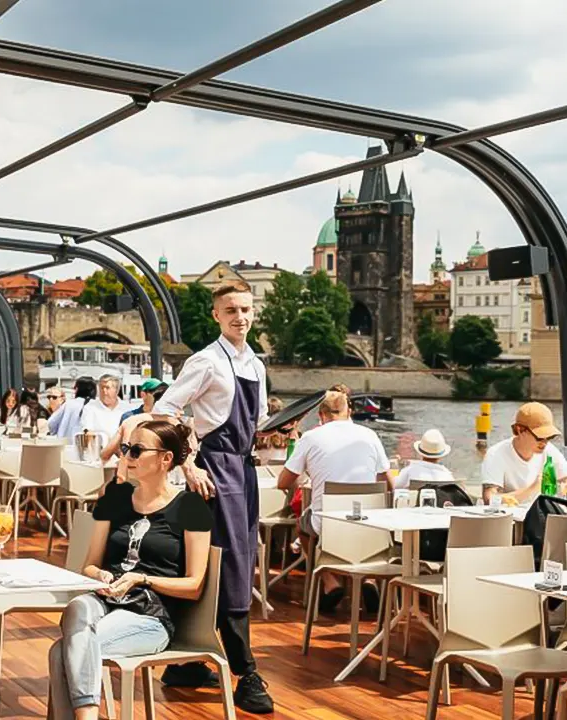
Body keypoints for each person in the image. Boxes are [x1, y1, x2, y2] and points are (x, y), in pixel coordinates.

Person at [151, 280, 273, 713]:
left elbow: (254, 423)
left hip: (244, 469)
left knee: (224, 563)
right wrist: (188, 463)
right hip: (216, 471)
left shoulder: (256, 365)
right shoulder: (206, 361)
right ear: (216, 316)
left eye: (245, 309)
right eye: (231, 310)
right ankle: (246, 672)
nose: (240, 316)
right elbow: (164, 411)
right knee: (230, 567)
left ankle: (184, 658)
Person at [47, 420, 214, 720]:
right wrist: (99, 575)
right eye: (125, 449)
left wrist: (142, 578)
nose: (127, 457)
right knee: (76, 608)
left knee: (62, 651)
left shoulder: (191, 506)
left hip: (150, 616)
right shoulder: (114, 499)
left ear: (166, 459)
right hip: (105, 601)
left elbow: (195, 585)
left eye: (136, 450)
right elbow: (90, 565)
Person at [276, 390, 391, 612]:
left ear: (322, 414)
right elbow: (387, 482)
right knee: (360, 529)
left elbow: (283, 482)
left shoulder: (311, 437)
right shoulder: (369, 435)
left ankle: (329, 581)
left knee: (303, 527)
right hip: (368, 523)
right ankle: (368, 579)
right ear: (348, 411)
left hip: (327, 523)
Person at [479, 402, 567, 505]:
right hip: (507, 518)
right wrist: (533, 488)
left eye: (549, 437)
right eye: (539, 437)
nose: (544, 442)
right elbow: (490, 499)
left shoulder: (549, 450)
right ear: (519, 430)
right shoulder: (496, 454)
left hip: (539, 515)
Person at [76, 375, 125, 441]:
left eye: (107, 388)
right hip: (98, 448)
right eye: (102, 388)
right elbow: (86, 430)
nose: (104, 391)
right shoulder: (90, 407)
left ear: (117, 390)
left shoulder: (127, 408)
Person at [49, 377, 97, 443]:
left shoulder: (69, 404)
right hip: (88, 448)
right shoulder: (96, 405)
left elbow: (51, 423)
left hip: (65, 447)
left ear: (77, 389)